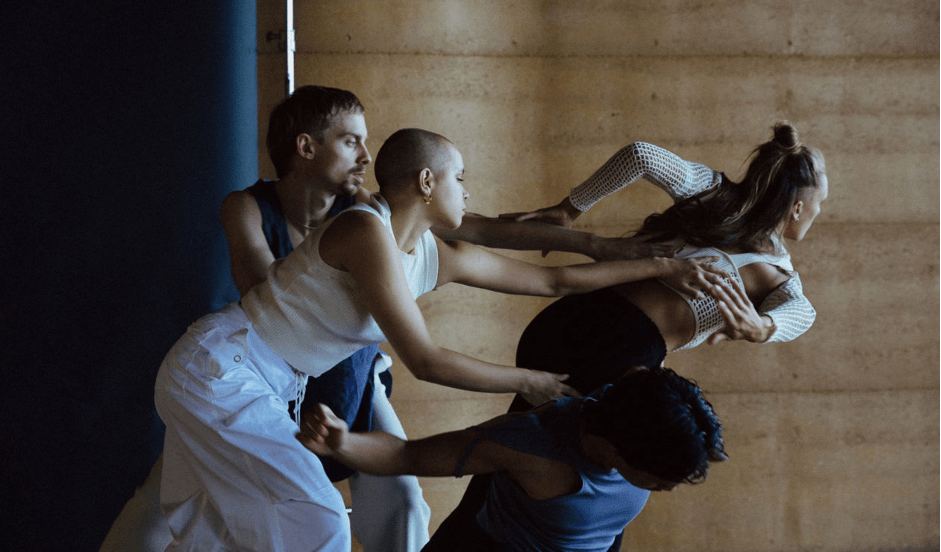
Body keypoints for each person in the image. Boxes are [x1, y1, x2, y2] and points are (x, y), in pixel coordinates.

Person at [100, 86, 682, 552]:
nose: (467, 191)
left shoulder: (431, 254)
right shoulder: (363, 229)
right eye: (460, 177)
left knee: (199, 529)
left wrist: (654, 263)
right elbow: (425, 360)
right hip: (222, 369)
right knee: (319, 518)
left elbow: (553, 280)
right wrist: (529, 380)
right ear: (426, 182)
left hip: (267, 381)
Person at [435, 122, 827, 551]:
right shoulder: (776, 275)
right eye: (820, 204)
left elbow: (641, 154)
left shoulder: (712, 192)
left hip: (569, 320)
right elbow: (803, 312)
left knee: (513, 455)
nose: (819, 212)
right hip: (619, 353)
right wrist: (763, 328)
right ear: (796, 208)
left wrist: (571, 207)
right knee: (608, 486)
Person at [297, 366, 727, 552]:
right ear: (619, 452)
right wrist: (342, 443)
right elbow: (407, 456)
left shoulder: (636, 397)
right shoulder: (531, 447)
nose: (668, 488)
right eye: (660, 480)